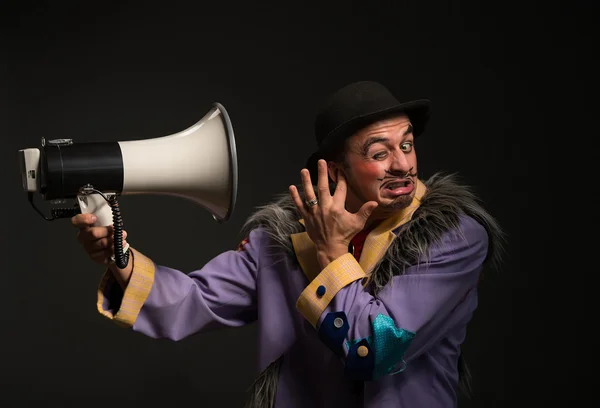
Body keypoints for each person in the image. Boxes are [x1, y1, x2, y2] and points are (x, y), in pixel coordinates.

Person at [72, 81, 504, 408]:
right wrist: (120, 258)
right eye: (380, 153)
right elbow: (194, 301)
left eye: (407, 145)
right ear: (334, 171)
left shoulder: (453, 235)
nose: (404, 164)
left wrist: (332, 254)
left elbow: (377, 349)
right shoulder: (280, 241)